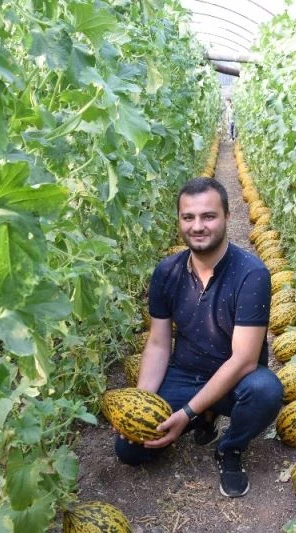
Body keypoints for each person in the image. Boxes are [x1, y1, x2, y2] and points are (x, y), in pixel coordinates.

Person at [113, 178, 283, 498]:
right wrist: (137, 406)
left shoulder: (252, 274)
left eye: (208, 216)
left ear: (227, 217)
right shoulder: (167, 272)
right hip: (185, 373)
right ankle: (204, 415)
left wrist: (185, 413)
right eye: (188, 217)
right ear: (179, 220)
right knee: (129, 451)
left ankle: (230, 447)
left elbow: (244, 360)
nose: (197, 226)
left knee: (266, 390)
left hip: (236, 379)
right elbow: (159, 344)